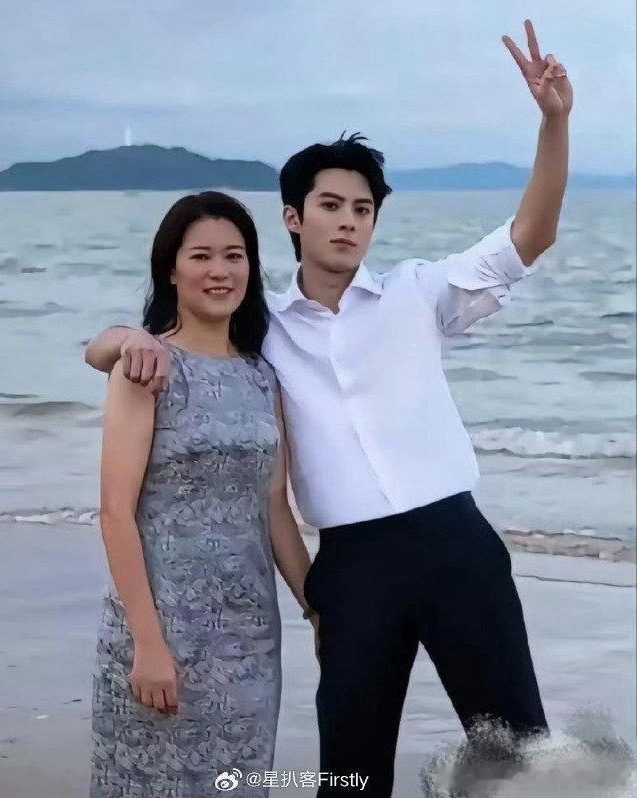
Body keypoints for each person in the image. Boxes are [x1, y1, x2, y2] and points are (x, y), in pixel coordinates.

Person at [86, 22, 571, 795]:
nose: (348, 220)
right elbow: (172, 345)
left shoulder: (419, 292)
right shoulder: (262, 331)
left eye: (363, 209)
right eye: (332, 204)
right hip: (349, 569)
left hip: (455, 547)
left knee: (519, 755)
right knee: (350, 774)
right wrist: (118, 337)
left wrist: (553, 122)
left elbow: (530, 237)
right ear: (293, 218)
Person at [89, 191, 317, 798]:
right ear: (171, 269)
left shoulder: (261, 374)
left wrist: (316, 609)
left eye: (234, 256)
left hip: (249, 638)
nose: (220, 271)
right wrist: (148, 645)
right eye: (201, 256)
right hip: (162, 626)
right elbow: (115, 513)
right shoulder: (147, 365)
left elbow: (273, 508)